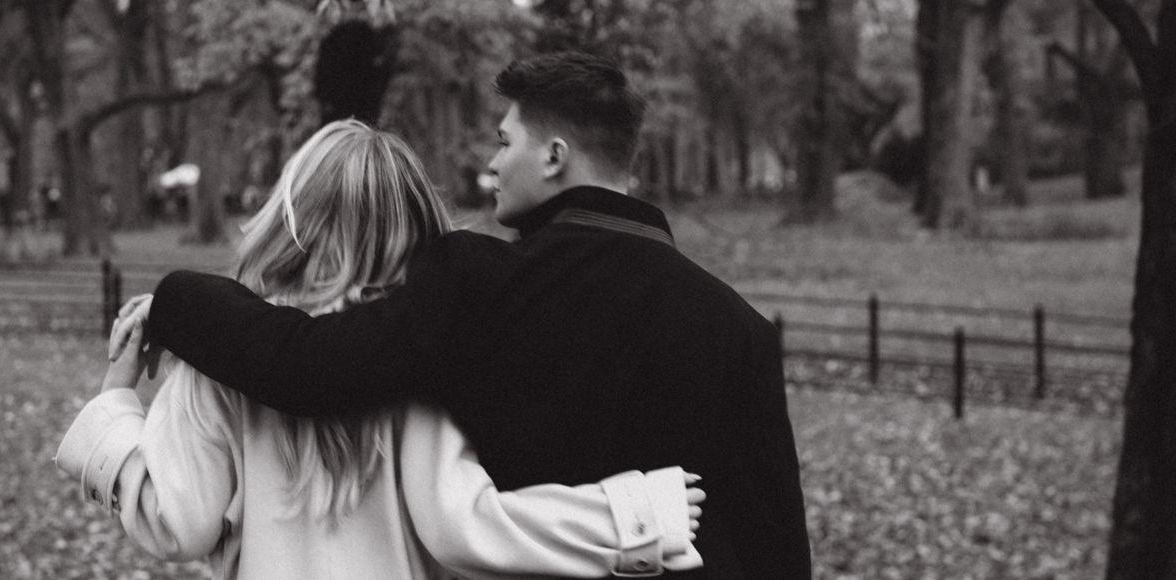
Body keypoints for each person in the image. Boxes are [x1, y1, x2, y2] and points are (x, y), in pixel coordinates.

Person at [114, 53, 812, 579]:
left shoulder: (478, 283)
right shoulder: (741, 331)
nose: (492, 163)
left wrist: (174, 300)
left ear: (554, 156)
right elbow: (776, 542)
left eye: (505, 142)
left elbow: (306, 364)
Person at [58, 120, 706, 579]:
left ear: (291, 215)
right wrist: (636, 518)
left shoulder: (218, 353)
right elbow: (462, 526)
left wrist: (115, 401)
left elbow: (180, 522)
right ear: (416, 222)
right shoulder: (422, 352)